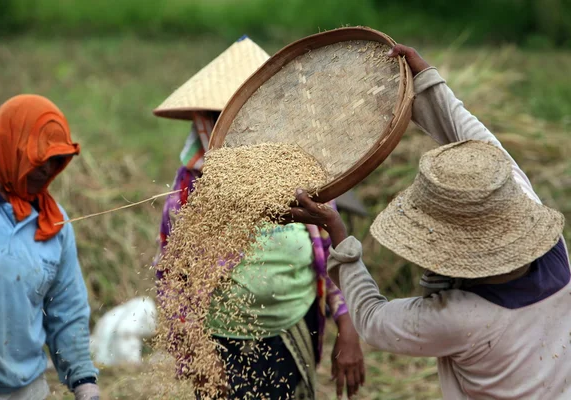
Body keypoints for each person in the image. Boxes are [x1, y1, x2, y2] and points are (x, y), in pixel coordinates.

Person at [287, 44, 570, 399]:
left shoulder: (459, 318)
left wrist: (340, 239)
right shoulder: (553, 247)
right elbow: (484, 146)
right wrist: (426, 83)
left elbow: (374, 320)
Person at [153, 36, 365, 399]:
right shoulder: (191, 188)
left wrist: (348, 326)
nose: (241, 135)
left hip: (292, 332)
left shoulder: (297, 178)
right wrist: (196, 355)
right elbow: (172, 278)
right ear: (207, 122)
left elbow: (329, 256)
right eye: (226, 121)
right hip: (220, 345)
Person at [0, 95, 99, 400]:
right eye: (40, 158)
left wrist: (84, 382)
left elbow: (66, 307)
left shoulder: (53, 222)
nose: (47, 170)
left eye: (57, 160)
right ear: (9, 146)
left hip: (25, 389)